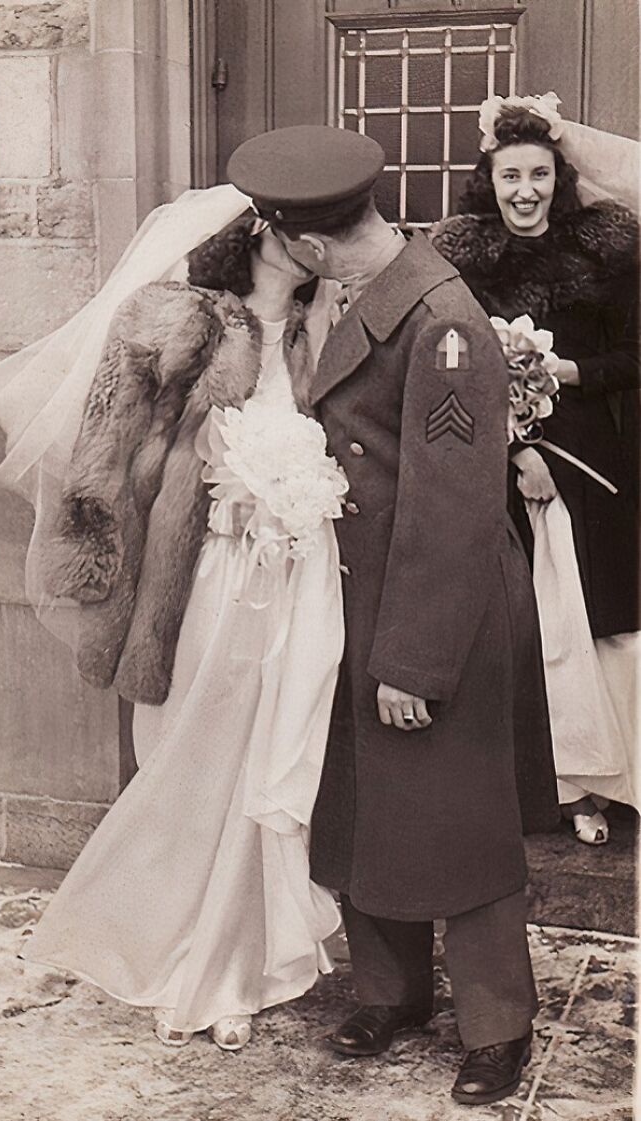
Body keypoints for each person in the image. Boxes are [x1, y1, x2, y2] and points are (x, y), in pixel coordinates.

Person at [228, 125, 559, 1107]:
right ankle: (393, 991)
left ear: (314, 241)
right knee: (368, 809)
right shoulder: (361, 291)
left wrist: (413, 660)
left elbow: (452, 509)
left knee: (459, 822)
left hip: (432, 605)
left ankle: (499, 1024)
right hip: (356, 595)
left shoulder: (440, 320)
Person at [0, 184, 347, 1051]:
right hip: (199, 577)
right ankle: (169, 942)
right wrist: (102, 559)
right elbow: (104, 441)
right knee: (190, 753)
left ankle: (232, 963)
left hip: (296, 576)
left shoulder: (318, 328)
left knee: (263, 763)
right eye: (307, 228)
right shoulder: (179, 319)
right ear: (266, 231)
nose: (322, 243)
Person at [432, 94, 640, 845]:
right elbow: (447, 372)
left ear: (560, 178)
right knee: (530, 625)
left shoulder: (605, 255)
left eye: (539, 175)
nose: (525, 191)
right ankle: (546, 786)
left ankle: (606, 781)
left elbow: (634, 359)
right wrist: (517, 447)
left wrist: (563, 370)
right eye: (511, 175)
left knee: (599, 621)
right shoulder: (460, 263)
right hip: (496, 464)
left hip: (592, 462)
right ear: (489, 180)